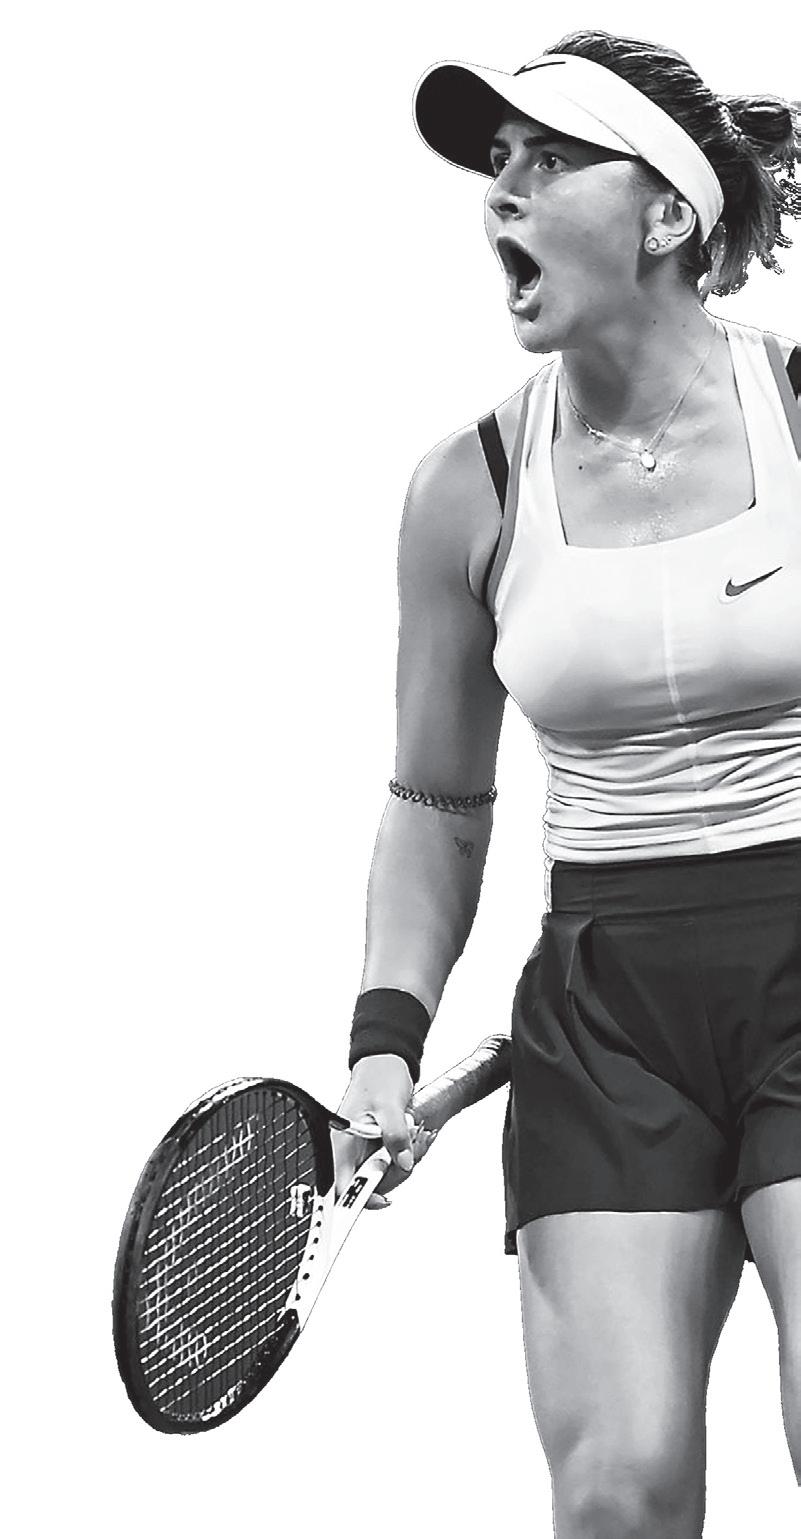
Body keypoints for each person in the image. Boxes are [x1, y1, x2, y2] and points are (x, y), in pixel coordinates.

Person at [332, 29, 801, 1538]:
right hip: (608, 1010)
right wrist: (384, 1041)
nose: (500, 195)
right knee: (616, 1496)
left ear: (667, 213)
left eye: (548, 161)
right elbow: (436, 802)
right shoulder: (462, 489)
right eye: (495, 167)